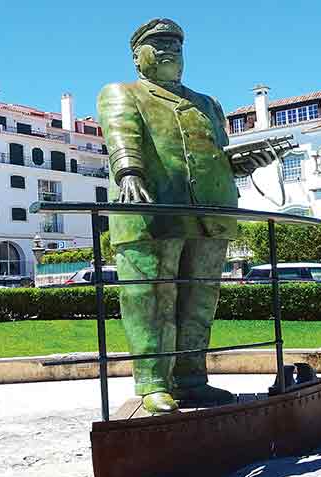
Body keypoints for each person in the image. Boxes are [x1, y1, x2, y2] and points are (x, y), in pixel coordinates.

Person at [96, 18, 268, 414]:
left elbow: (218, 155)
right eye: (158, 44)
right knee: (152, 299)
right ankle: (153, 383)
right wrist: (128, 171)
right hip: (151, 214)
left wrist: (242, 163)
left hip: (210, 214)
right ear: (137, 56)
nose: (169, 49)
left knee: (199, 300)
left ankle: (191, 378)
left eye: (175, 44)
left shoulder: (207, 104)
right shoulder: (123, 92)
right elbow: (121, 134)